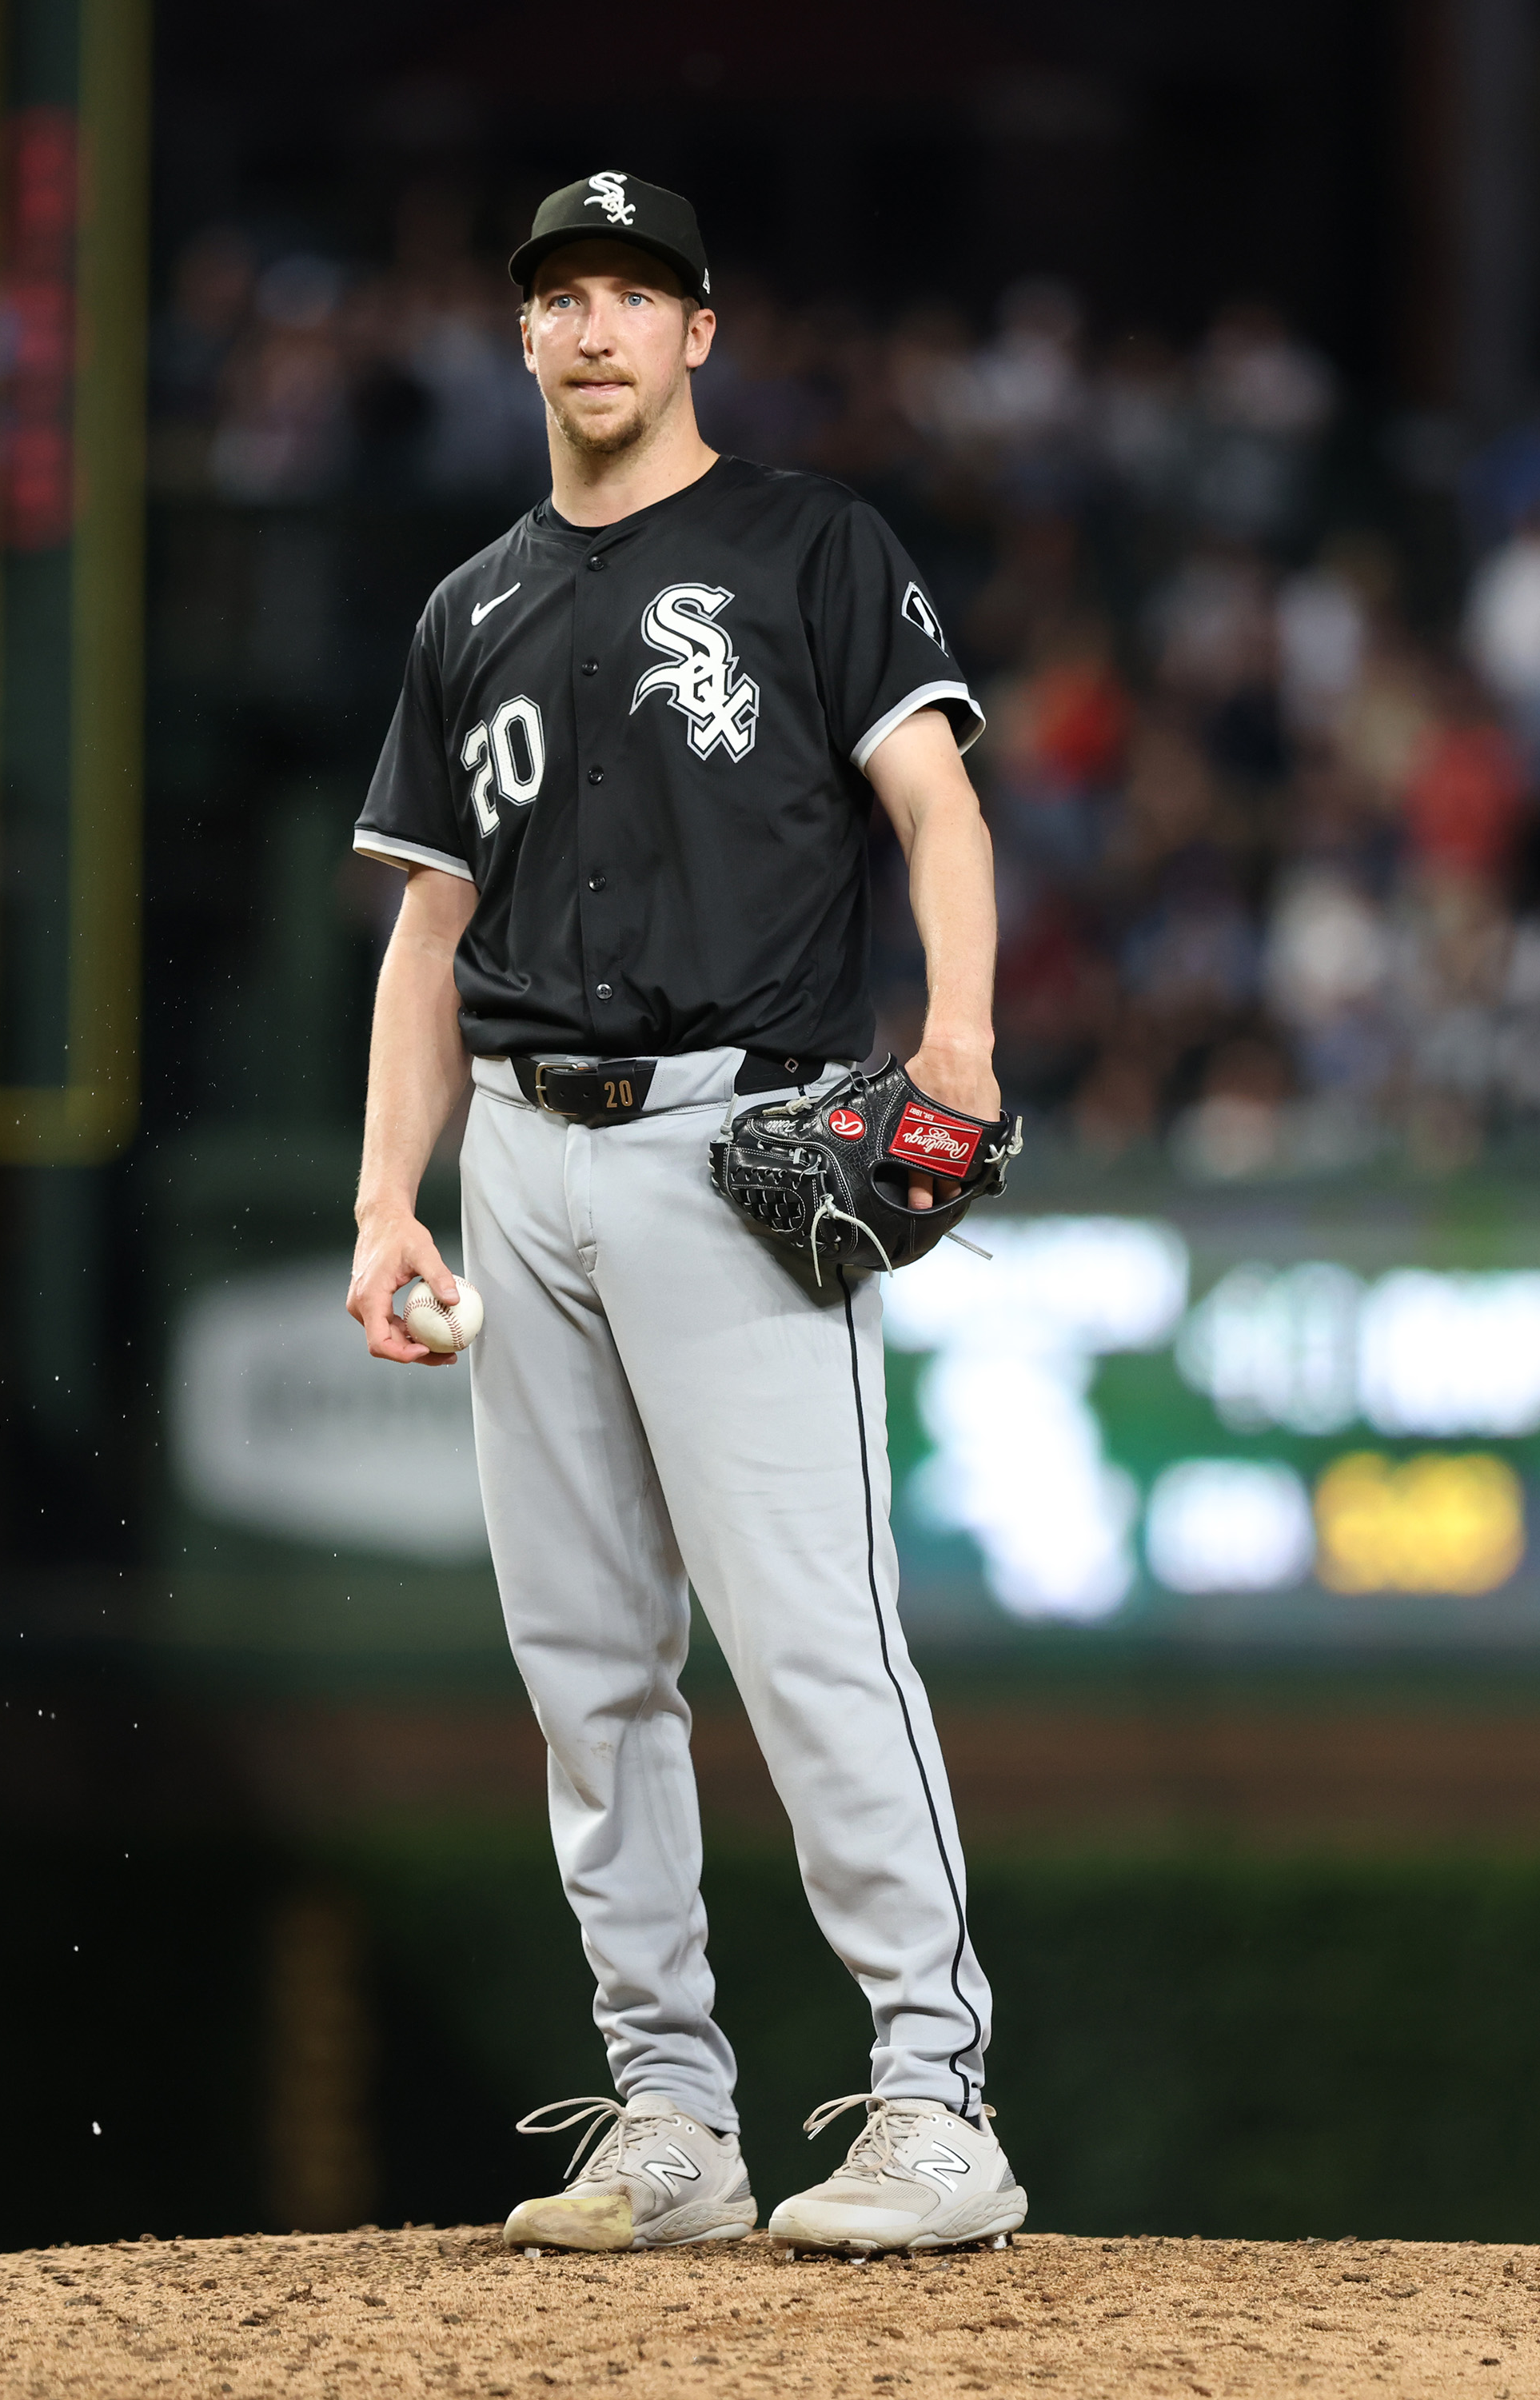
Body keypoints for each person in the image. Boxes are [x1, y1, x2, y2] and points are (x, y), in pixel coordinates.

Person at [341, 174, 1023, 2258]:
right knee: (582, 1664)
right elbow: (428, 928)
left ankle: (933, 2096)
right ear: (522, 335)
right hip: (520, 1158)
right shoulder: (468, 608)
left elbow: (934, 798)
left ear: (700, 332)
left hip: (734, 1140)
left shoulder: (812, 545)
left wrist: (964, 1045)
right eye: (561, 293)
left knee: (810, 1638)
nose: (597, 324)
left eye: (635, 290)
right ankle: (670, 2112)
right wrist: (386, 1193)